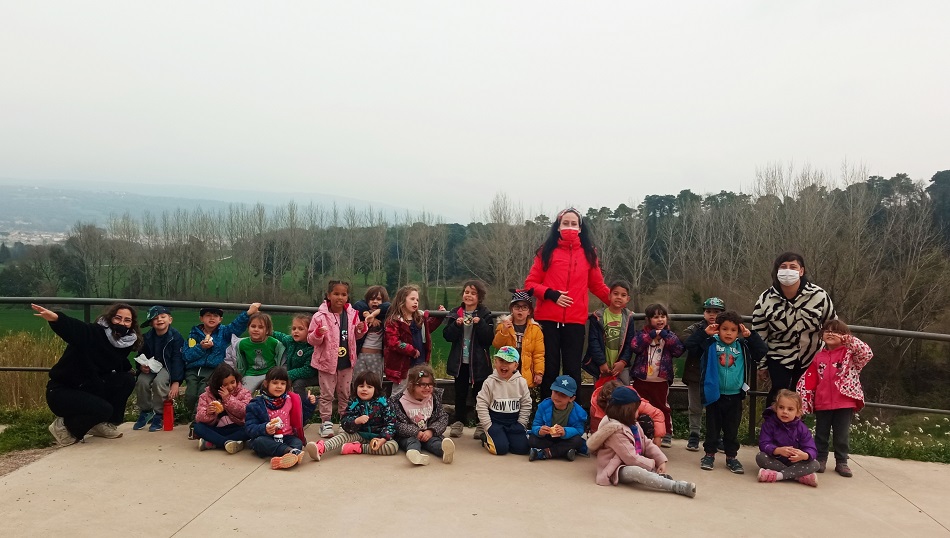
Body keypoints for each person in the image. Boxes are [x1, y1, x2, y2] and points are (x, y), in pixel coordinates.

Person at [524, 207, 611, 399]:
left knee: (572, 370)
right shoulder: (546, 251)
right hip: (547, 320)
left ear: (580, 228)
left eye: (573, 224)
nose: (569, 227)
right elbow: (530, 284)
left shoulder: (589, 253)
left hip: (575, 321)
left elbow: (597, 285)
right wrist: (551, 294)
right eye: (565, 223)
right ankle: (546, 411)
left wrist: (617, 304)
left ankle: (574, 411)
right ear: (558, 226)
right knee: (549, 369)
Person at [34, 303, 140, 446]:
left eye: (127, 320)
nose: (122, 323)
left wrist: (136, 369)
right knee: (104, 409)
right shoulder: (95, 333)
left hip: (88, 386)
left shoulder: (124, 342)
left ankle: (100, 424)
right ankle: (65, 426)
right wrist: (57, 319)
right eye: (118, 318)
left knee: (126, 380)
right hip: (63, 390)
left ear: (132, 324)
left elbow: (116, 359)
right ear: (110, 318)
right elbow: (76, 329)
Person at [686, 310, 767, 474]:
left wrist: (750, 336)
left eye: (733, 330)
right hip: (714, 395)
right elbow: (690, 346)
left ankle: (731, 457)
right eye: (725, 329)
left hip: (735, 395)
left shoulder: (743, 346)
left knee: (732, 429)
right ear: (717, 328)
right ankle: (709, 454)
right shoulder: (710, 344)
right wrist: (704, 333)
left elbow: (761, 351)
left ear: (739, 331)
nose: (729, 333)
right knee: (712, 428)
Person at [752, 252, 836, 406]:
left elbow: (833, 326)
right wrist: (761, 365)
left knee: (803, 396)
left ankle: (800, 422)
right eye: (783, 267)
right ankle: (771, 421)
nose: (788, 270)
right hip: (779, 355)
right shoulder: (765, 299)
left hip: (811, 356)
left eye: (793, 267)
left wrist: (832, 358)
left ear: (801, 271)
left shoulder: (819, 296)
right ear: (777, 270)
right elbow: (759, 334)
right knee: (778, 394)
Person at [586, 386, 696, 497]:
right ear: (627, 411)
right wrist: (652, 464)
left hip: (632, 460)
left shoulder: (632, 423)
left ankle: (657, 477)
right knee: (636, 472)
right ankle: (675, 486)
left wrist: (661, 460)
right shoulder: (615, 432)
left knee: (641, 468)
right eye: (636, 409)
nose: (639, 412)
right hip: (616, 468)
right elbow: (631, 458)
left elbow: (646, 443)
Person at [796, 319, 873, 478]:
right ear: (822, 334)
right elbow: (809, 380)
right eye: (828, 330)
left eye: (837, 331)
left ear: (845, 336)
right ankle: (820, 459)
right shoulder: (819, 357)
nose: (831, 333)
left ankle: (842, 461)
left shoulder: (850, 355)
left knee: (841, 434)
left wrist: (850, 341)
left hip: (844, 401)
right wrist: (804, 400)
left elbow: (867, 353)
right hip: (823, 401)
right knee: (821, 433)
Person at [307, 280, 368, 438]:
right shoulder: (319, 316)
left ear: (347, 297)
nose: (340, 297)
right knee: (327, 394)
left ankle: (344, 421)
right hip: (326, 362)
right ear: (328, 295)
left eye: (343, 294)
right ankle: (326, 422)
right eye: (336, 294)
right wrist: (318, 334)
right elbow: (311, 340)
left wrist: (361, 329)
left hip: (347, 362)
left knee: (345, 394)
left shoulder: (353, 314)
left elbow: (356, 336)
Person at [619, 303, 683, 448]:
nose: (660, 320)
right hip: (641, 379)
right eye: (656, 317)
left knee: (662, 407)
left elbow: (679, 350)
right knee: (638, 405)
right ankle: (639, 431)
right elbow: (635, 346)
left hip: (661, 380)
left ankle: (666, 433)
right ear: (648, 320)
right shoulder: (642, 334)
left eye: (663, 316)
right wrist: (651, 336)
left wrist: (665, 336)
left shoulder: (670, 335)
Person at [183, 303, 260, 414]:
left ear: (220, 319)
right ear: (201, 318)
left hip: (212, 369)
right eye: (208, 315)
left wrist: (248, 313)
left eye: (215, 316)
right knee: (190, 394)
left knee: (202, 392)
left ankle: (198, 417)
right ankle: (188, 415)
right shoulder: (194, 334)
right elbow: (187, 355)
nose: (212, 318)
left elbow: (236, 326)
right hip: (193, 370)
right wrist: (201, 347)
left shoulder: (223, 332)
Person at [305, 371, 398, 459]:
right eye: (361, 386)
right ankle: (321, 448)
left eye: (369, 387)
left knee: (392, 447)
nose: (364, 389)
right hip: (360, 434)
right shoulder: (354, 403)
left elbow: (391, 423)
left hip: (379, 436)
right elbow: (345, 422)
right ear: (356, 387)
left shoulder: (384, 403)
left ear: (376, 389)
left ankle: (358, 448)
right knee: (343, 436)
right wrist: (356, 421)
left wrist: (383, 439)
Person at [444, 280, 494, 440]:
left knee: (480, 394)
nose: (469, 296)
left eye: (473, 293)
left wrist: (481, 324)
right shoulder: (456, 312)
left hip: (479, 363)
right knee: (460, 393)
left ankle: (480, 423)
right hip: (460, 363)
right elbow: (447, 336)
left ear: (479, 297)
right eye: (466, 292)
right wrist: (456, 325)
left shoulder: (485, 314)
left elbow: (488, 339)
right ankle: (458, 422)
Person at [245, 367, 316, 470]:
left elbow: (301, 419)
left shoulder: (291, 400)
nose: (279, 386)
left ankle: (285, 457)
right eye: (275, 383)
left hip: (287, 437)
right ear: (266, 384)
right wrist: (265, 428)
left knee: (297, 442)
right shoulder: (256, 404)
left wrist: (309, 404)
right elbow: (249, 428)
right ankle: (290, 452)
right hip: (268, 438)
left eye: (283, 383)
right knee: (259, 442)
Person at [681, 297, 725, 451]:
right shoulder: (696, 328)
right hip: (696, 373)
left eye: (716, 311)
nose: (712, 314)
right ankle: (694, 434)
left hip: (718, 373)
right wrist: (703, 335)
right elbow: (685, 340)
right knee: (695, 406)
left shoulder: (725, 328)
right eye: (708, 311)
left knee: (716, 407)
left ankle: (715, 436)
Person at [133, 305, 185, 432]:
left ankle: (159, 414)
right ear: (151, 323)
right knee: (141, 381)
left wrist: (176, 382)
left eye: (163, 317)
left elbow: (177, 360)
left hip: (168, 367)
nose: (159, 320)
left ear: (170, 320)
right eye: (155, 318)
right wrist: (141, 366)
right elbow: (140, 355)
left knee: (159, 382)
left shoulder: (176, 337)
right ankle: (146, 410)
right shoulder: (146, 337)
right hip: (151, 366)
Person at [391, 365, 456, 465]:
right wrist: (416, 432)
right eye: (423, 384)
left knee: (434, 442)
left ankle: (444, 451)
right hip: (409, 435)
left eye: (430, 384)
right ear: (412, 385)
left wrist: (431, 431)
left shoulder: (434, 398)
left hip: (428, 434)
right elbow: (397, 424)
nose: (427, 388)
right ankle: (415, 455)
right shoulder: (399, 401)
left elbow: (442, 417)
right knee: (412, 442)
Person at [383, 284, 444, 390]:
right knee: (400, 391)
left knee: (419, 389)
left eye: (417, 300)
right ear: (402, 300)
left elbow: (429, 329)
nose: (415, 302)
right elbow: (393, 342)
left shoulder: (419, 319)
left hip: (420, 362)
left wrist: (439, 316)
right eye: (412, 299)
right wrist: (411, 350)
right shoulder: (394, 321)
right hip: (403, 366)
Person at [475, 346, 532, 456]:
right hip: (495, 422)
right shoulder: (489, 382)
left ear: (516, 365)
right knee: (500, 449)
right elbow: (481, 404)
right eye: (501, 361)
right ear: (495, 362)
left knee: (522, 449)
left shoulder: (521, 382)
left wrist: (521, 423)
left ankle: (506, 437)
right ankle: (486, 437)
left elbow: (526, 404)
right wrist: (488, 425)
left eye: (509, 362)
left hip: (514, 422)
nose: (504, 365)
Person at [756, 389, 820, 486]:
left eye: (790, 409)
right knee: (760, 457)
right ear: (776, 408)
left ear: (798, 412)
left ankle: (777, 475)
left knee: (815, 464)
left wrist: (804, 455)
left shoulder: (802, 428)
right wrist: (777, 450)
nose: (785, 412)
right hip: (775, 460)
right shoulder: (769, 424)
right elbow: (764, 444)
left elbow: (811, 448)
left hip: (795, 461)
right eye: (781, 407)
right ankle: (798, 476)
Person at [584, 280, 635, 384]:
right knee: (601, 391)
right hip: (601, 366)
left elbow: (630, 343)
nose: (619, 297)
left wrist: (623, 362)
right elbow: (593, 341)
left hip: (621, 366)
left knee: (624, 391)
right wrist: (601, 362)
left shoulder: (629, 318)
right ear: (609, 296)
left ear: (627, 299)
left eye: (623, 295)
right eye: (615, 294)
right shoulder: (598, 317)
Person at [492, 289, 544, 390]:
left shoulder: (536, 330)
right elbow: (497, 345)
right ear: (512, 309)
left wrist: (539, 373)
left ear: (529, 311)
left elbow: (538, 354)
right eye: (517, 307)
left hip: (525, 371)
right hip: (506, 369)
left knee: (523, 395)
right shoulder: (503, 325)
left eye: (524, 307)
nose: (520, 310)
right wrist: (504, 331)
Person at [194, 363, 252, 453]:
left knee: (250, 428)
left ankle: (214, 443)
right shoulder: (206, 396)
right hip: (217, 430)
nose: (230, 387)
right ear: (218, 385)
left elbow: (245, 411)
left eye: (232, 382)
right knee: (198, 427)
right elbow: (198, 417)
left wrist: (228, 399)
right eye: (225, 385)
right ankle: (229, 443)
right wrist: (208, 412)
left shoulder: (244, 393)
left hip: (237, 427)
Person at [528, 375, 587, 461]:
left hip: (565, 439)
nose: (557, 397)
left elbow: (579, 430)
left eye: (563, 395)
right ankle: (564, 452)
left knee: (577, 440)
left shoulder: (578, 412)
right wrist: (540, 431)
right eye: (555, 392)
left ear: (571, 398)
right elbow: (535, 425)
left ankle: (545, 453)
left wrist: (565, 431)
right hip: (548, 438)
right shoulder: (544, 406)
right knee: (533, 439)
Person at [589, 378, 665, 442]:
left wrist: (658, 437)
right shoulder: (597, 409)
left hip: (633, 430)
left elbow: (657, 414)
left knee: (645, 419)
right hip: (613, 438)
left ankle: (643, 444)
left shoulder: (633, 402)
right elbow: (596, 432)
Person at [235, 312, 284, 394]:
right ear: (248, 328)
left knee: (271, 391)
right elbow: (241, 365)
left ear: (267, 330)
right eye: (253, 326)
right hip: (251, 374)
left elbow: (281, 360)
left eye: (260, 327)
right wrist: (240, 378)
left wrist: (278, 374)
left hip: (270, 374)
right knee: (242, 394)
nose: (256, 329)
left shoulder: (275, 343)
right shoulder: (242, 344)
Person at [273, 314, 317, 398]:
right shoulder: (290, 341)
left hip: (313, 376)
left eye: (300, 329)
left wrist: (288, 375)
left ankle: (302, 404)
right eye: (294, 328)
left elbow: (308, 371)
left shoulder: (312, 347)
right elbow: (281, 336)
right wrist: (269, 332)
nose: (296, 331)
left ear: (310, 331)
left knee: (298, 384)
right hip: (293, 372)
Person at [352, 285, 390, 381]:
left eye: (378, 299)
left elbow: (389, 306)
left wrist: (374, 314)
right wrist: (368, 315)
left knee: (375, 383)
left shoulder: (385, 316)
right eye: (372, 299)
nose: (375, 301)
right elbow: (358, 304)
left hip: (377, 357)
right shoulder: (362, 313)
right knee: (358, 382)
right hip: (360, 355)